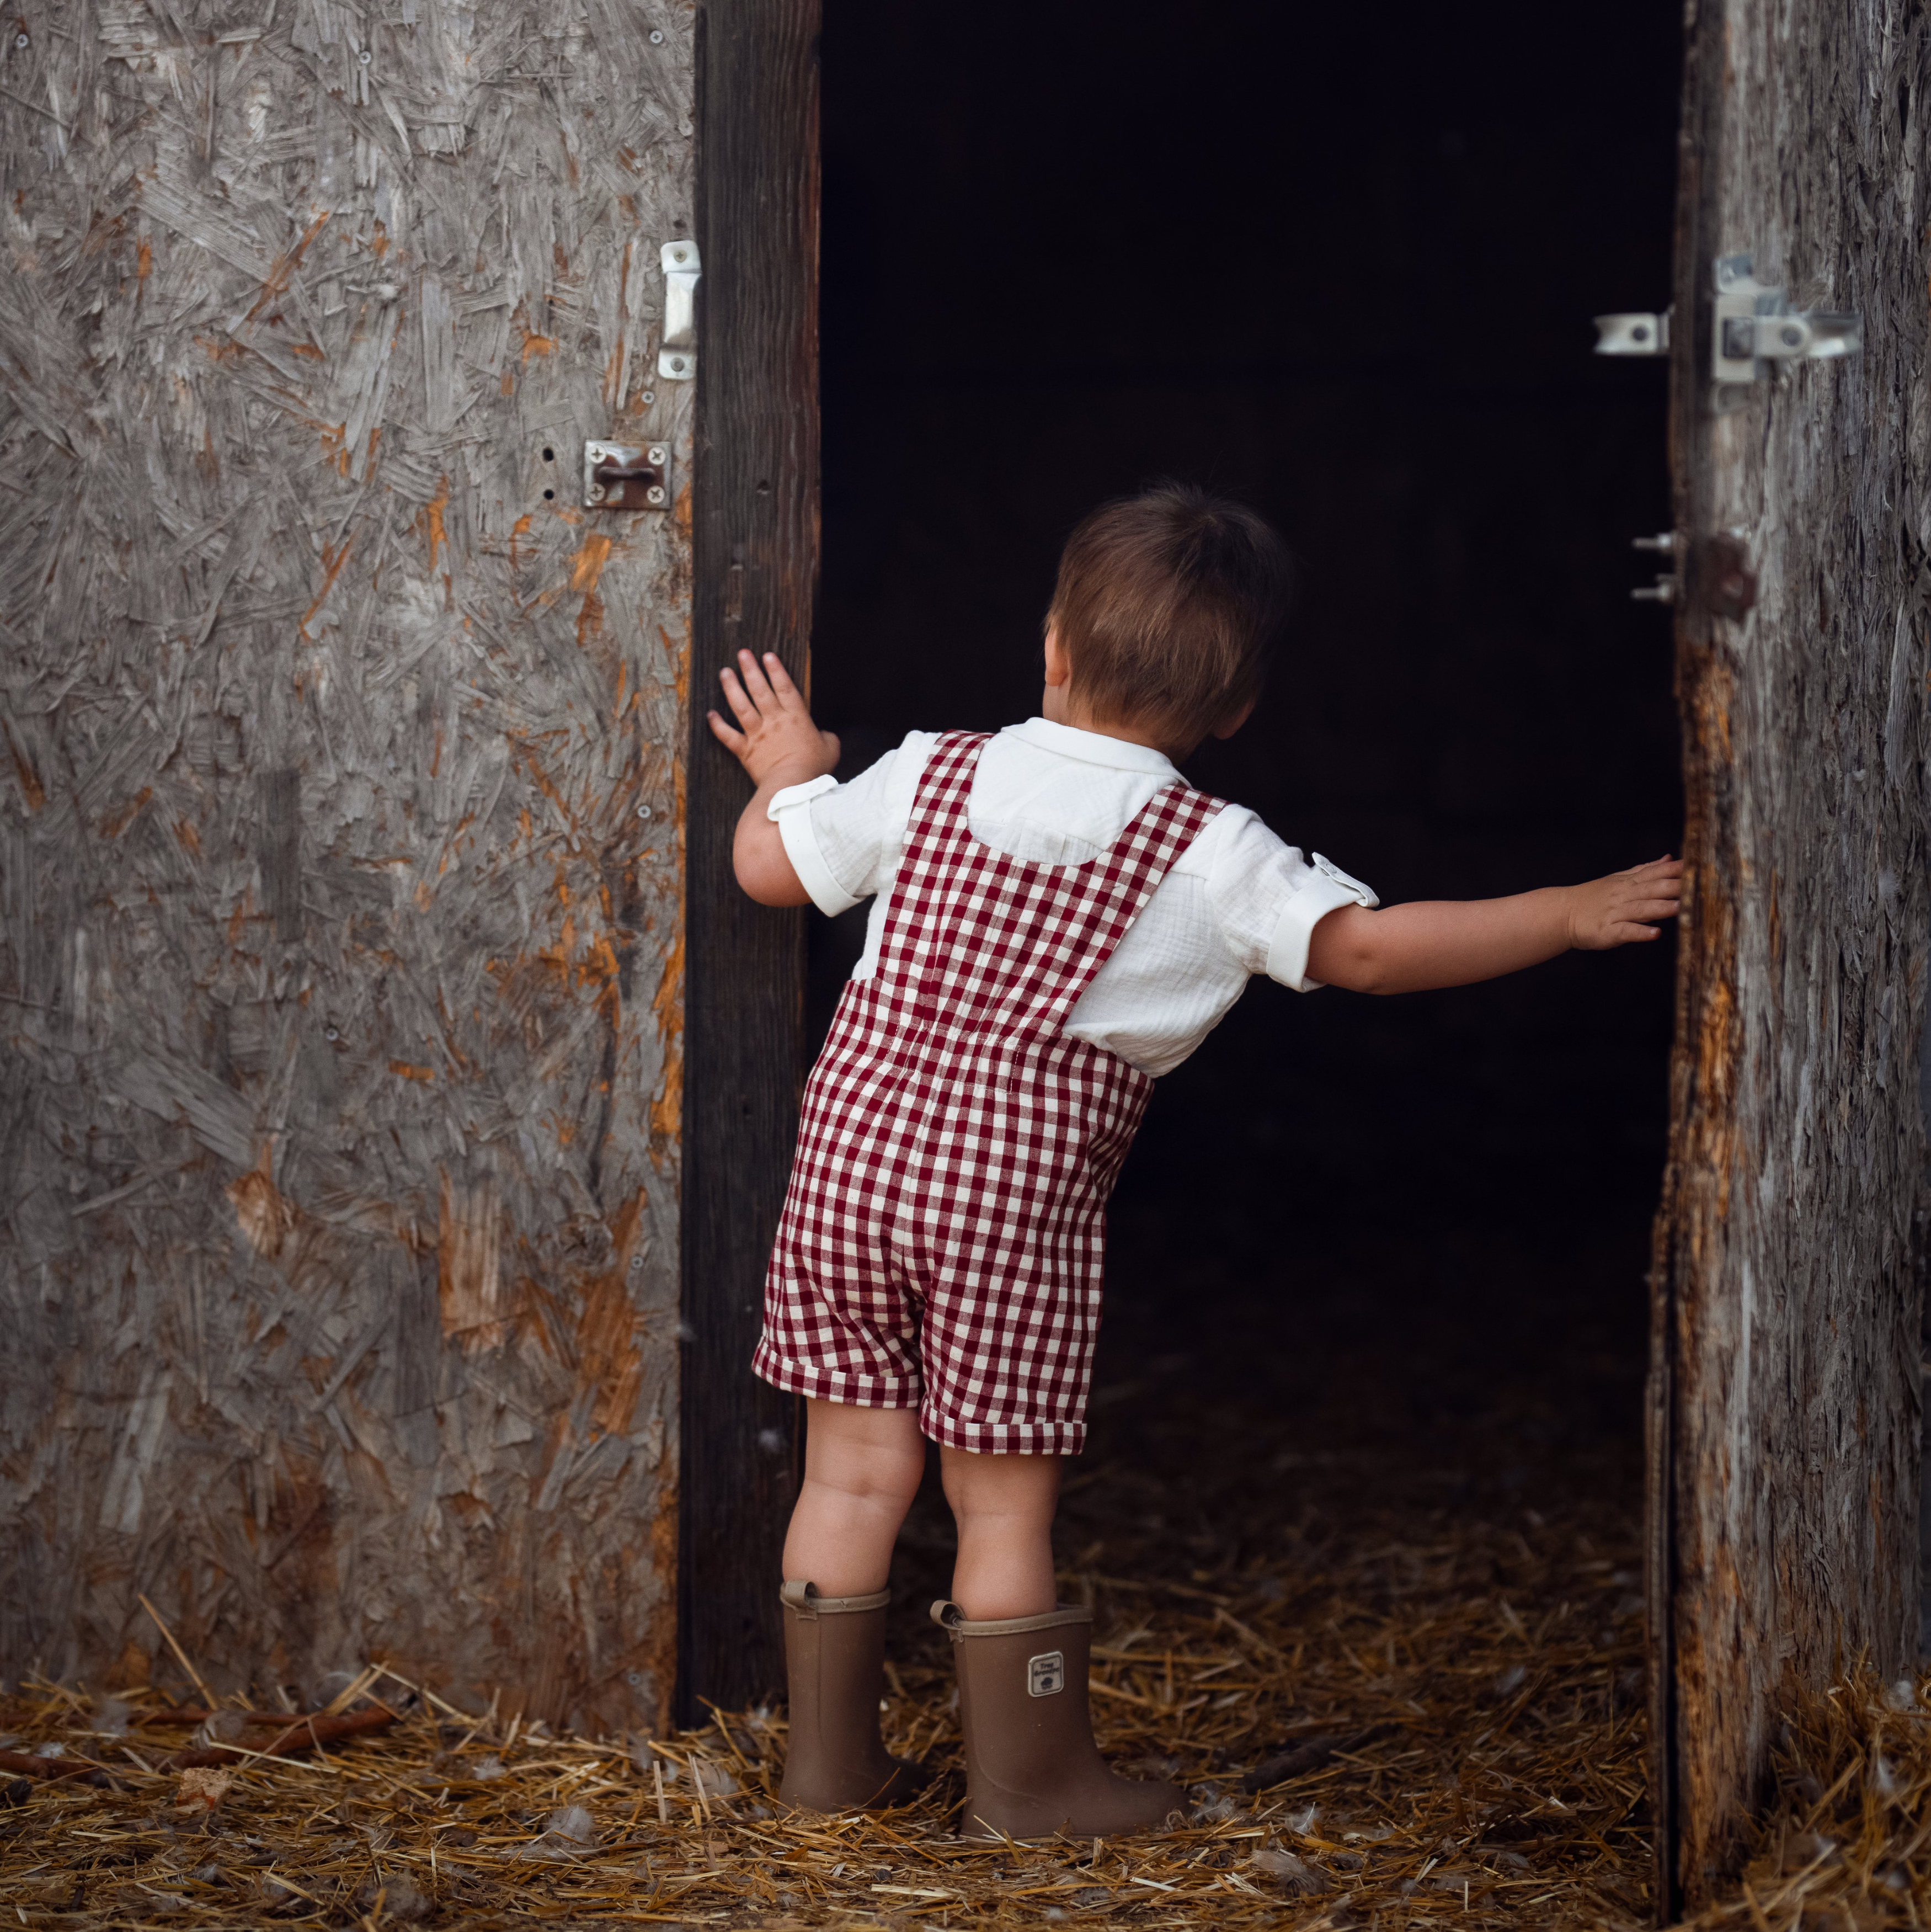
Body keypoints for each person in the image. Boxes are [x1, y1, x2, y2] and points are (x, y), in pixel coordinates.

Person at [704, 483, 1682, 1839]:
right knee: (997, 1504)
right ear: (1237, 713)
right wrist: (1565, 914)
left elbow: (767, 871)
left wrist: (788, 771)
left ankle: (827, 1777)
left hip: (849, 1178)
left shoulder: (933, 766)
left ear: (1050, 645)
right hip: (1006, 1219)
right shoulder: (1209, 849)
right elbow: (1374, 951)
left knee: (851, 1476)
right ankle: (1029, 1787)